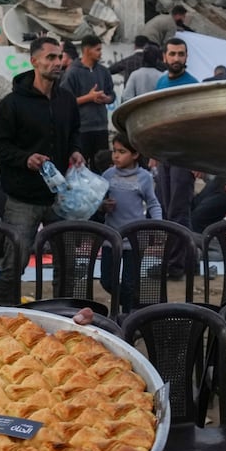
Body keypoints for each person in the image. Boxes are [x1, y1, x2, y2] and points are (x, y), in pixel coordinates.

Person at [0, 36, 82, 302]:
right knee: (14, 262)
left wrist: (75, 151)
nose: (57, 63)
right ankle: (5, 317)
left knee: (67, 262)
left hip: (59, 197)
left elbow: (75, 131)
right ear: (34, 61)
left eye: (59, 57)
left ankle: (63, 315)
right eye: (50, 57)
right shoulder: (12, 104)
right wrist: (25, 158)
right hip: (22, 199)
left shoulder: (66, 100)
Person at [99, 133, 159, 311]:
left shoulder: (144, 177)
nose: (116, 155)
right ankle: (131, 306)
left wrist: (158, 226)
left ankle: (126, 316)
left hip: (134, 240)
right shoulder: (108, 175)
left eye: (122, 151)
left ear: (135, 154)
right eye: (114, 151)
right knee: (107, 280)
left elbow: (153, 203)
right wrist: (103, 206)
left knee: (130, 281)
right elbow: (97, 202)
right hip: (111, 238)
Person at [58, 34, 115, 163]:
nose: (100, 53)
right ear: (87, 50)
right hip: (82, 129)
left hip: (101, 127)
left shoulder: (104, 71)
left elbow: (112, 95)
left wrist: (106, 99)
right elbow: (65, 102)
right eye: (98, 50)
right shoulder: (72, 73)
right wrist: (89, 98)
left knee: (102, 166)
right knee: (81, 169)